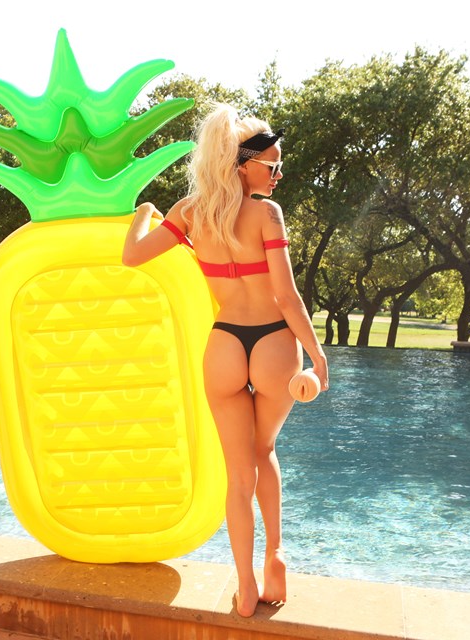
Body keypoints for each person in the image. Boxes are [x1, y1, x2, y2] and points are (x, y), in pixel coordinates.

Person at [122, 103, 329, 617]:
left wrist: (144, 214)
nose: (278, 175)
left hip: (225, 346)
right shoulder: (266, 214)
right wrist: (318, 356)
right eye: (272, 166)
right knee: (264, 451)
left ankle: (244, 586)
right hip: (274, 343)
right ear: (243, 165)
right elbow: (287, 298)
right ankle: (275, 556)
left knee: (238, 475)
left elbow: (133, 256)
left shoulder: (191, 212)